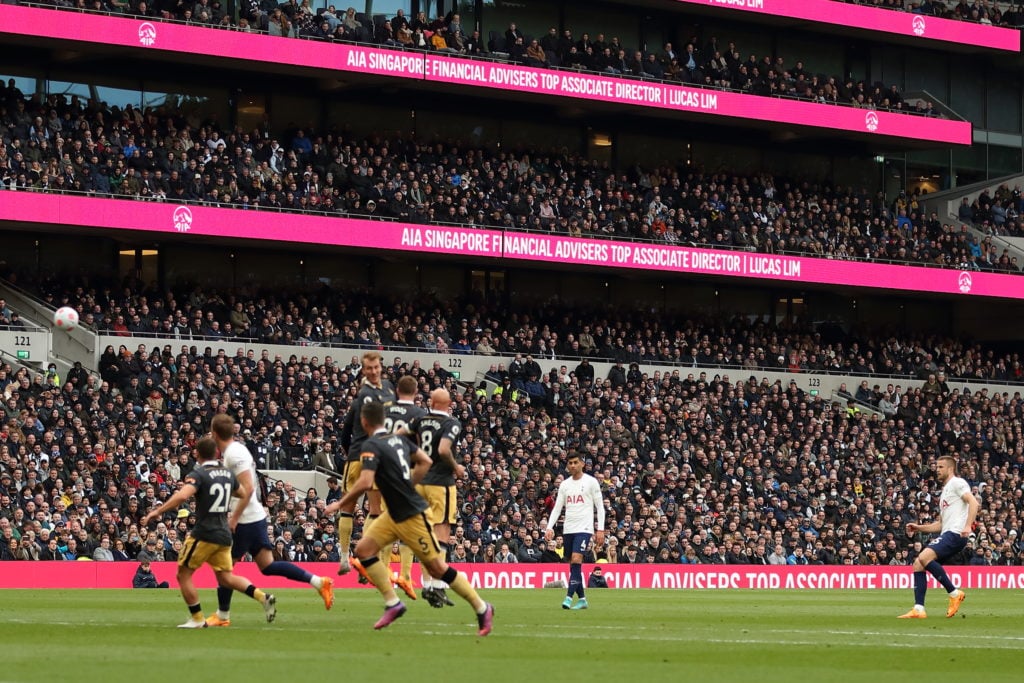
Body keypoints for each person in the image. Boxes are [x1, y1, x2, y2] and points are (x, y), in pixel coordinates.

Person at [324, 401, 493, 635]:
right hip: (393, 512)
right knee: (363, 551)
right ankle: (393, 603)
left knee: (437, 568)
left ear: (364, 423)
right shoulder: (400, 440)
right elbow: (425, 461)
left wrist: (340, 503)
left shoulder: (372, 445)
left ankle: (482, 607)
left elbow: (365, 482)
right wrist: (411, 483)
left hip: (411, 515)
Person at [206, 413, 333, 628]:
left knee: (224, 571)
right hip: (254, 517)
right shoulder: (236, 450)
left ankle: (223, 615)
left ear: (215, 433)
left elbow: (248, 489)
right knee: (267, 565)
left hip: (245, 520)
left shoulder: (233, 454)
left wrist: (233, 518)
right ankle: (319, 582)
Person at [140, 436, 277, 628]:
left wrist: (157, 511)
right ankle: (263, 597)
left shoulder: (200, 473)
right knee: (225, 577)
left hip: (204, 533)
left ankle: (197, 619)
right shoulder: (227, 473)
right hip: (224, 534)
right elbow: (244, 493)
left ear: (197, 453)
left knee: (183, 575)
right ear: (217, 453)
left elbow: (182, 495)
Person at [401, 387, 464, 608]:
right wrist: (457, 468)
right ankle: (437, 587)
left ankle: (426, 583)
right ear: (449, 404)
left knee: (422, 534)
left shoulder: (421, 419)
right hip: (441, 484)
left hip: (419, 482)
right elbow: (445, 449)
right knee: (442, 533)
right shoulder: (452, 423)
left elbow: (399, 435)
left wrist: (413, 459)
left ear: (431, 402)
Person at [337, 351, 396, 576]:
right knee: (372, 511)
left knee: (358, 509)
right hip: (371, 457)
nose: (373, 372)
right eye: (369, 369)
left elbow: (344, 435)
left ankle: (351, 558)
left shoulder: (362, 400)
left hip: (366, 458)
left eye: (375, 368)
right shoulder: (376, 397)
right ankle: (362, 560)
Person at [898, 456, 978, 619]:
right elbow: (940, 525)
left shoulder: (957, 483)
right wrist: (918, 527)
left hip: (956, 533)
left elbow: (974, 502)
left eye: (941, 467)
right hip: (948, 532)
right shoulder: (945, 493)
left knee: (924, 556)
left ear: (950, 469)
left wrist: (968, 525)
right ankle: (919, 609)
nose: (937, 469)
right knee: (918, 564)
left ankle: (955, 593)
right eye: (937, 467)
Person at [383, 374, 427, 600]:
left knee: (385, 522)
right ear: (416, 390)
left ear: (397, 390)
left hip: (386, 474)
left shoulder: (386, 410)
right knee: (411, 526)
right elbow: (424, 448)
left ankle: (382, 572)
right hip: (410, 475)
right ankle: (406, 576)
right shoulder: (420, 414)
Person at [545, 451, 605, 610]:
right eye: (570, 463)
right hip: (568, 528)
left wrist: (600, 529)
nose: (572, 465)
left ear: (582, 464)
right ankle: (583, 599)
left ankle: (568, 597)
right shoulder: (565, 485)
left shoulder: (591, 482)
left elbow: (600, 507)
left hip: (584, 528)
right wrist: (549, 527)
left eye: (575, 462)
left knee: (577, 559)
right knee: (573, 565)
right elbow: (557, 508)